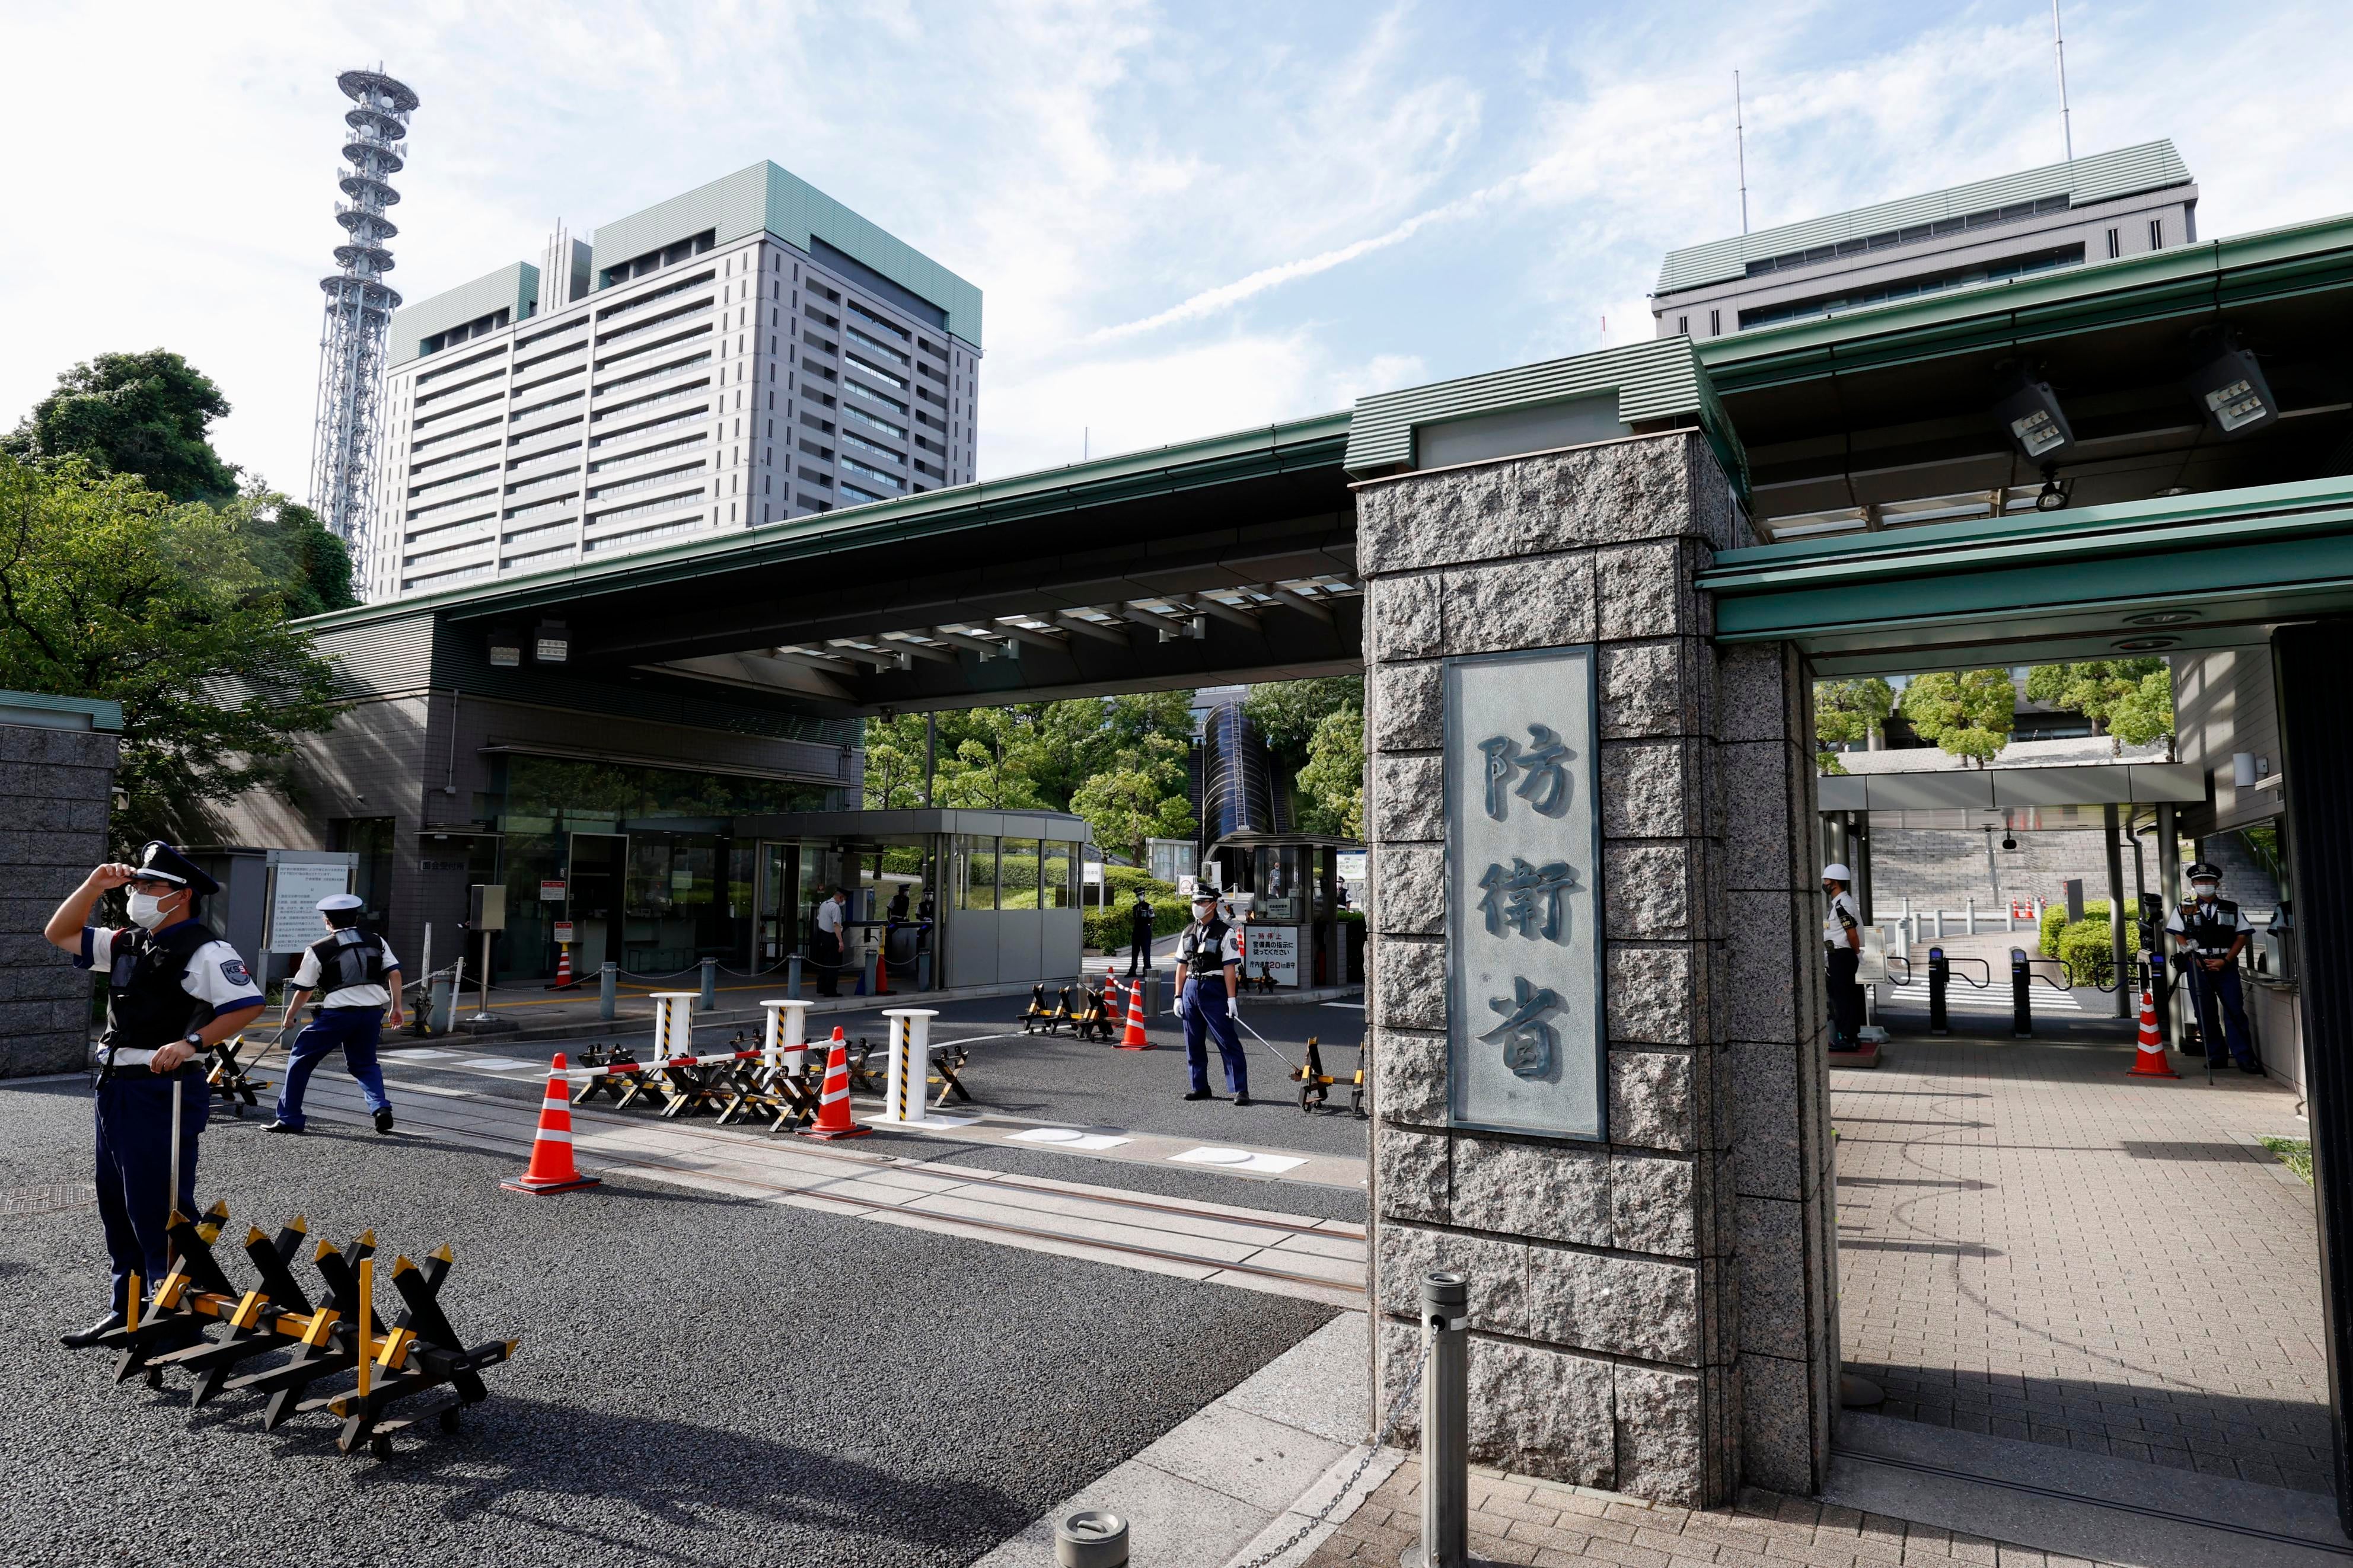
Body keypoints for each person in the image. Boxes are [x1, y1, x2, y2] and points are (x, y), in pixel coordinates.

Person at [43, 842, 266, 1348]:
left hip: (163, 1088)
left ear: (182, 895)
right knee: (117, 1201)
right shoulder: (129, 941)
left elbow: (247, 1004)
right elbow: (59, 933)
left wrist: (191, 1041)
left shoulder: (206, 949)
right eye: (137, 884)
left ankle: (175, 1317)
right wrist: (95, 885)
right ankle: (126, 1309)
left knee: (160, 1206)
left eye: (151, 886)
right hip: (116, 1086)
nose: (139, 893)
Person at [264, 893, 404, 1136]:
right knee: (365, 1063)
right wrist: (397, 1007)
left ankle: (290, 1119)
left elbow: (305, 990)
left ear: (326, 921)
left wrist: (290, 1016)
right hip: (372, 1013)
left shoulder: (319, 949)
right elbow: (395, 973)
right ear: (357, 918)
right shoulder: (376, 941)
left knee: (301, 1060)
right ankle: (381, 1107)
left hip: (338, 1014)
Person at [2166, 861, 2260, 1072]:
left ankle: (2244, 1058)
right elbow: (2178, 934)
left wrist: (2226, 960)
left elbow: (2242, 936)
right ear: (2193, 884)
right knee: (2204, 1012)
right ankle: (2216, 1056)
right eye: (2200, 881)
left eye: (2208, 881)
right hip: (2197, 964)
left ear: (2217, 884)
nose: (2204, 884)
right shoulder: (2184, 907)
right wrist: (2190, 954)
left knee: (2234, 1011)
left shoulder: (2231, 907)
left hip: (2225, 965)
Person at [1176, 890, 1249, 1105]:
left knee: (1226, 1040)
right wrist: (1178, 996)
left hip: (1213, 987)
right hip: (1191, 987)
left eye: (1201, 902)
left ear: (1213, 904)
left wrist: (1231, 998)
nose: (1196, 905)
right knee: (1193, 1041)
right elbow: (1181, 965)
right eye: (1195, 902)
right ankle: (1199, 1086)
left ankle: (1239, 1089)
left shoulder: (1225, 932)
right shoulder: (1188, 931)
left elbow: (1229, 968)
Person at [1821, 863, 1864, 1052]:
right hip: (1839, 956)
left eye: (1826, 880)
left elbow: (1852, 934)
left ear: (1835, 883)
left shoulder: (1842, 905)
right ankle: (1850, 1035)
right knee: (1844, 996)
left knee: (1843, 998)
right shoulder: (1840, 904)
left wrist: (1854, 952)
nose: (1824, 883)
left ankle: (1847, 1038)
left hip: (1842, 956)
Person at [814, 886, 848, 997]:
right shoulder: (835, 908)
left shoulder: (824, 904)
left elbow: (819, 919)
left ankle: (822, 987)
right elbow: (836, 925)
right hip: (832, 937)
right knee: (833, 965)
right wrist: (840, 941)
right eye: (844, 899)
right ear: (841, 897)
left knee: (824, 964)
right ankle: (831, 990)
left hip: (822, 936)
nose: (844, 901)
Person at [1127, 889, 1157, 978]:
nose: (1139, 897)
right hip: (1137, 931)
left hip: (1145, 931)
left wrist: (1147, 927)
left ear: (1144, 895)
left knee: (1146, 952)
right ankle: (1133, 970)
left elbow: (1152, 918)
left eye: (1140, 895)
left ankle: (1147, 970)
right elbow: (1134, 919)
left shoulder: (1148, 906)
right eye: (1137, 895)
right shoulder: (1135, 907)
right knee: (1134, 952)